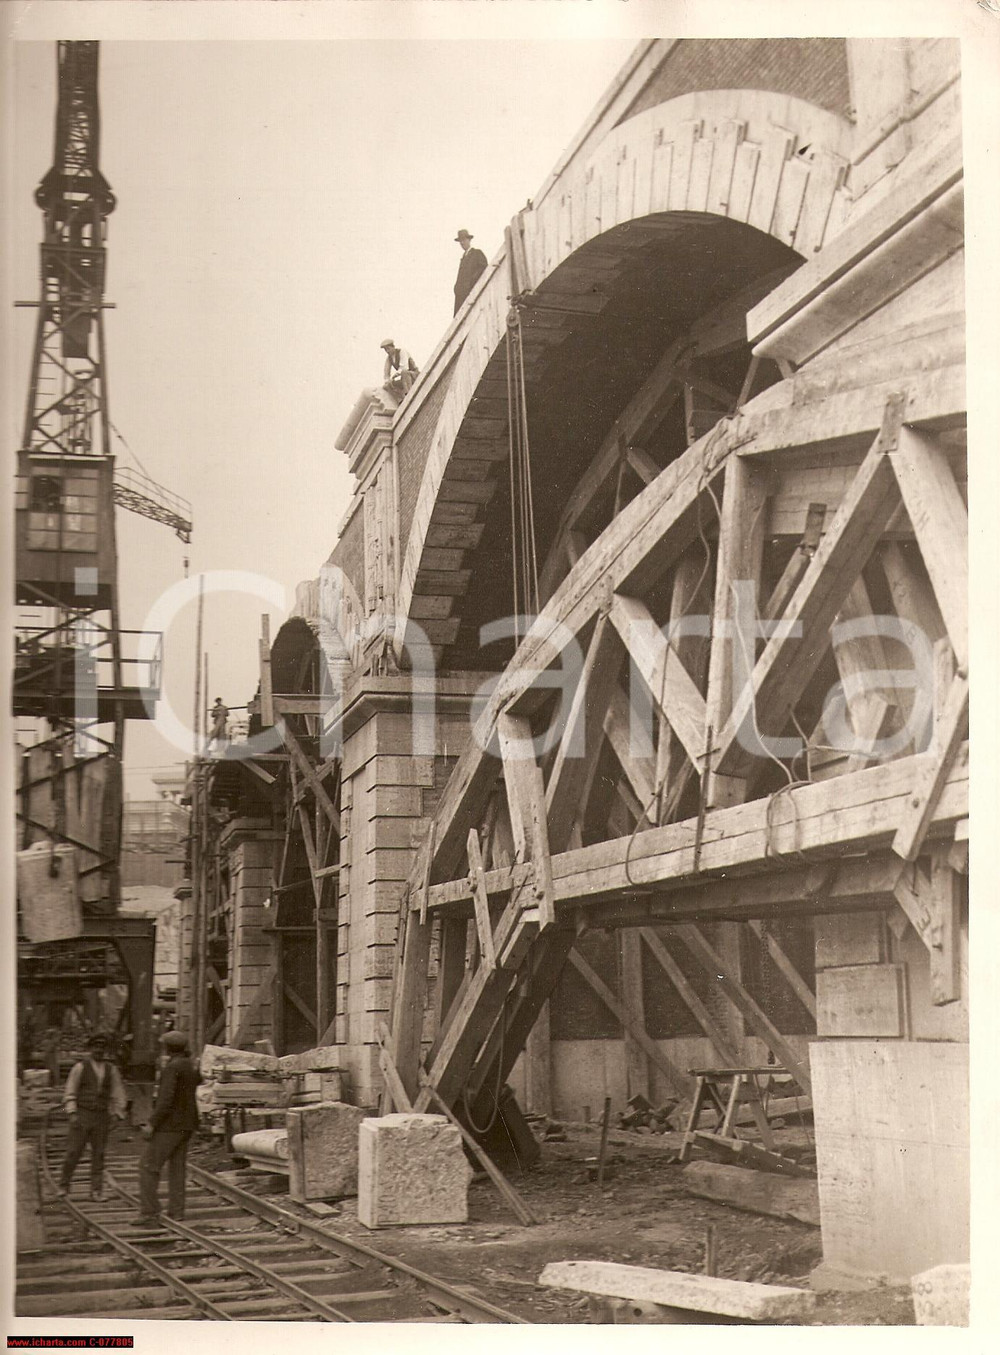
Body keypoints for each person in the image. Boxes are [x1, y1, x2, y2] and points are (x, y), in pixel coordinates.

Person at [132, 1030, 201, 1227]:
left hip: (170, 1126)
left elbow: (166, 1100)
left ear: (167, 1048)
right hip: (187, 1125)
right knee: (177, 1169)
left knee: (148, 1166)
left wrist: (152, 1123)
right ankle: (177, 1211)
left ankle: (149, 1212)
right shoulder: (189, 1065)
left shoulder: (172, 1067)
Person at [58, 1032, 127, 1201]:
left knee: (99, 1154)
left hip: (101, 1117)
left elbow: (118, 1093)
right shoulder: (80, 1068)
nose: (98, 1050)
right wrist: (72, 1112)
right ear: (90, 1048)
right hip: (82, 1114)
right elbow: (70, 1091)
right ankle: (64, 1186)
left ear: (105, 1050)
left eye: (102, 1047)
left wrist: (117, 1114)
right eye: (96, 1047)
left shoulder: (111, 1070)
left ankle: (96, 1191)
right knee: (73, 1152)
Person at [453, 229, 487, 314]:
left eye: (464, 240)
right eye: (460, 241)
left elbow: (483, 268)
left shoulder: (476, 253)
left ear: (469, 240)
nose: (462, 243)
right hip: (461, 297)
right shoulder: (463, 258)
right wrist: (456, 288)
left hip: (472, 293)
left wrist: (471, 282)